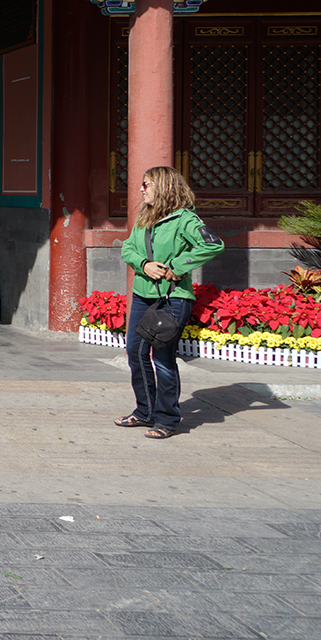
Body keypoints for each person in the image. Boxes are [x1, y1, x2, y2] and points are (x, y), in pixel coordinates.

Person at [114, 166, 224, 439]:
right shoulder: (145, 216)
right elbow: (128, 247)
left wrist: (178, 266)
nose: (141, 189)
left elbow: (213, 244)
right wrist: (144, 264)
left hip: (172, 298)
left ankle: (167, 419)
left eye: (146, 184)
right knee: (135, 353)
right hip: (143, 294)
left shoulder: (186, 219)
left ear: (163, 187)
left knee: (163, 359)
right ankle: (145, 411)